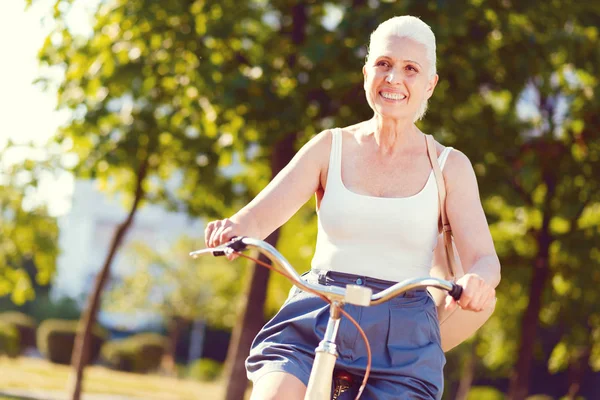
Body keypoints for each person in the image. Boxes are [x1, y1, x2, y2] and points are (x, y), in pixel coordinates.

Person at [205, 15, 500, 400]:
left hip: (403, 337)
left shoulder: (448, 166)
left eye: (410, 69)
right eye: (383, 64)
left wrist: (477, 280)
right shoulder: (330, 146)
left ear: (430, 84)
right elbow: (259, 216)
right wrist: (234, 229)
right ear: (366, 74)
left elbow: (485, 259)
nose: (393, 78)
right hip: (317, 312)